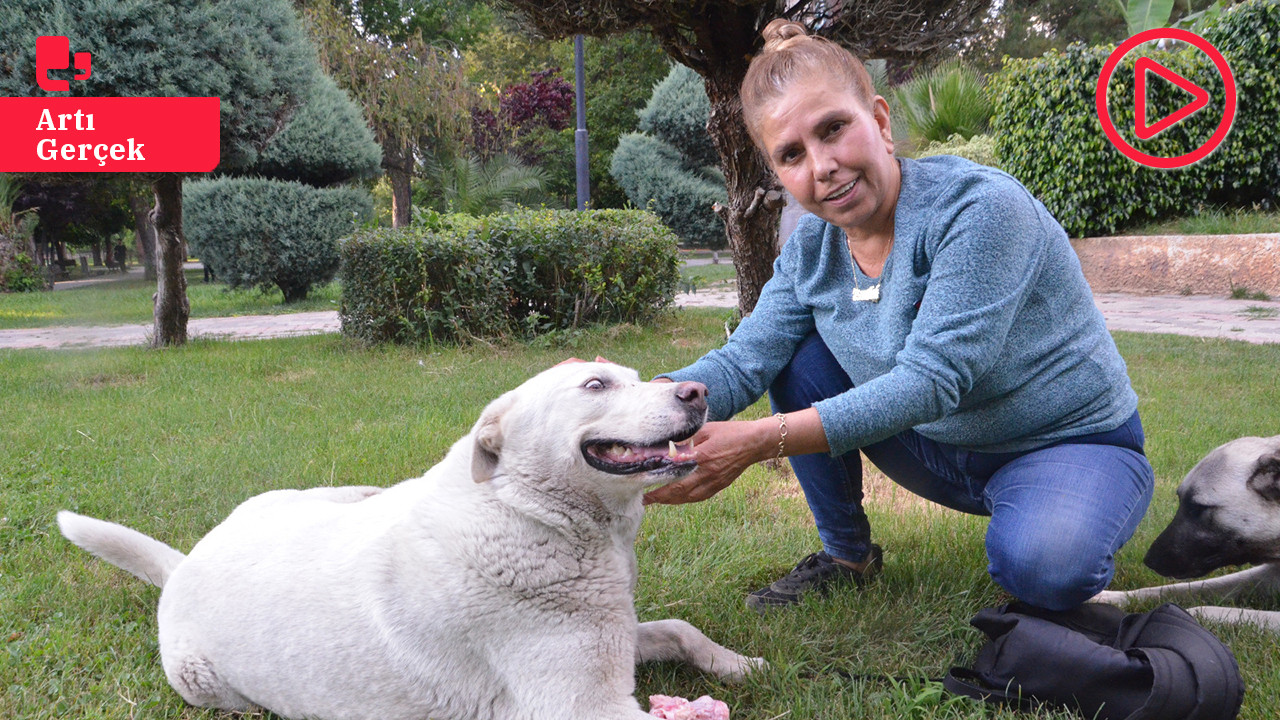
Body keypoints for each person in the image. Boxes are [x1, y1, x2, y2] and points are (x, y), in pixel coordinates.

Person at [646, 19, 1155, 614]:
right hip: (936, 451)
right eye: (791, 154)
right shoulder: (811, 249)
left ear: (881, 121)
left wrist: (758, 440)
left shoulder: (979, 209)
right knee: (795, 359)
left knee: (1044, 567)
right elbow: (743, 360)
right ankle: (846, 558)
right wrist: (640, 406)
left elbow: (932, 381)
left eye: (833, 129)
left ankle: (1062, 508)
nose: (822, 166)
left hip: (1063, 442)